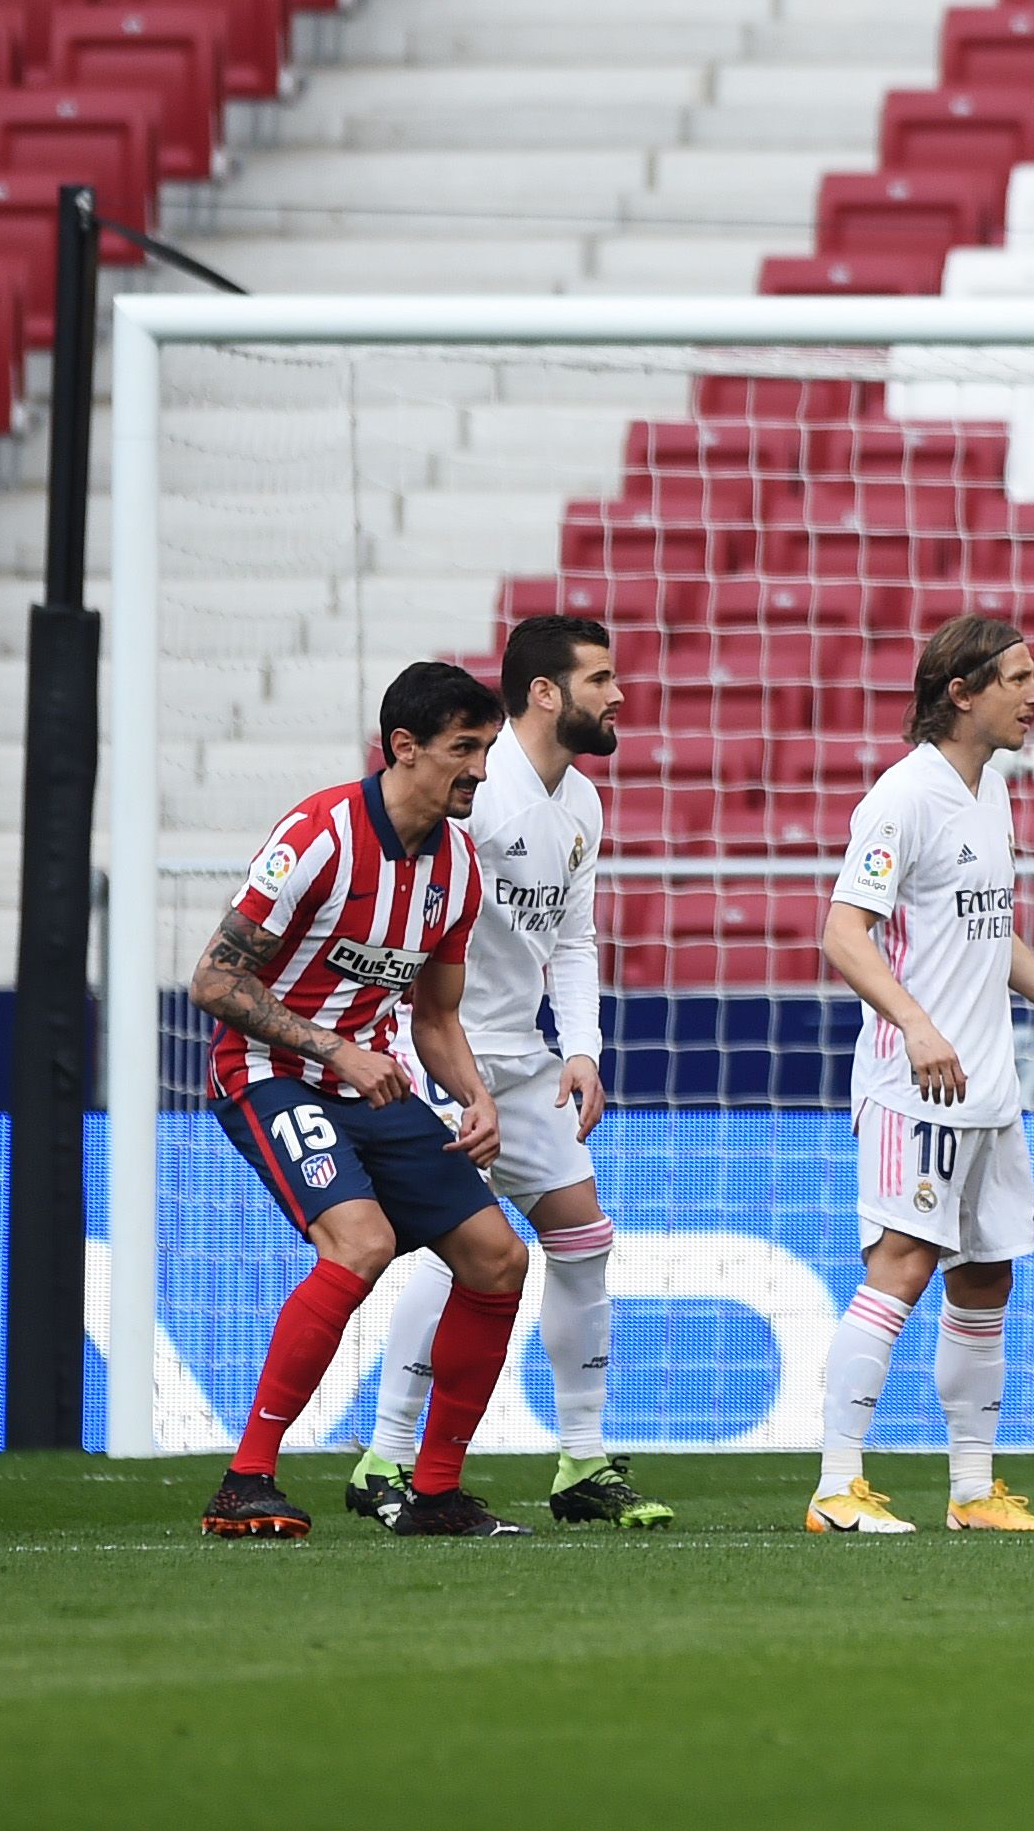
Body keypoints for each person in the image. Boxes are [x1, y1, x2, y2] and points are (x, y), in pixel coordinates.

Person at [802, 613, 1034, 1536]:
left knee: (986, 1277)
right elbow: (841, 932)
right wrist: (914, 1025)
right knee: (901, 1269)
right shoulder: (902, 798)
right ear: (962, 692)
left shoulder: (988, 790)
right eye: (1019, 678)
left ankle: (972, 1492)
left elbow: (985, 931)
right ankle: (835, 1489)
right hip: (917, 1087)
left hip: (989, 1087)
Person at [191, 661, 530, 1540]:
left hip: (371, 1079)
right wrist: (333, 1045)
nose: (481, 770)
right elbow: (214, 978)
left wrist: (475, 1097)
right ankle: (246, 1479)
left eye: (488, 749)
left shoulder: (456, 864)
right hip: (269, 1072)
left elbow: (438, 1017)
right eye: (465, 750)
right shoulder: (320, 835)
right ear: (404, 748)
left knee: (499, 1258)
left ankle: (434, 1492)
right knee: (362, 1241)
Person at [350, 615, 670, 1530]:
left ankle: (580, 1462)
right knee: (465, 1254)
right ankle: (387, 1459)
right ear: (545, 692)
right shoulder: (477, 796)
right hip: (438, 1052)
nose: (617, 696)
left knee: (584, 1238)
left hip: (522, 1063)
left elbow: (573, 937)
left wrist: (582, 1049)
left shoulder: (582, 805)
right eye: (600, 679)